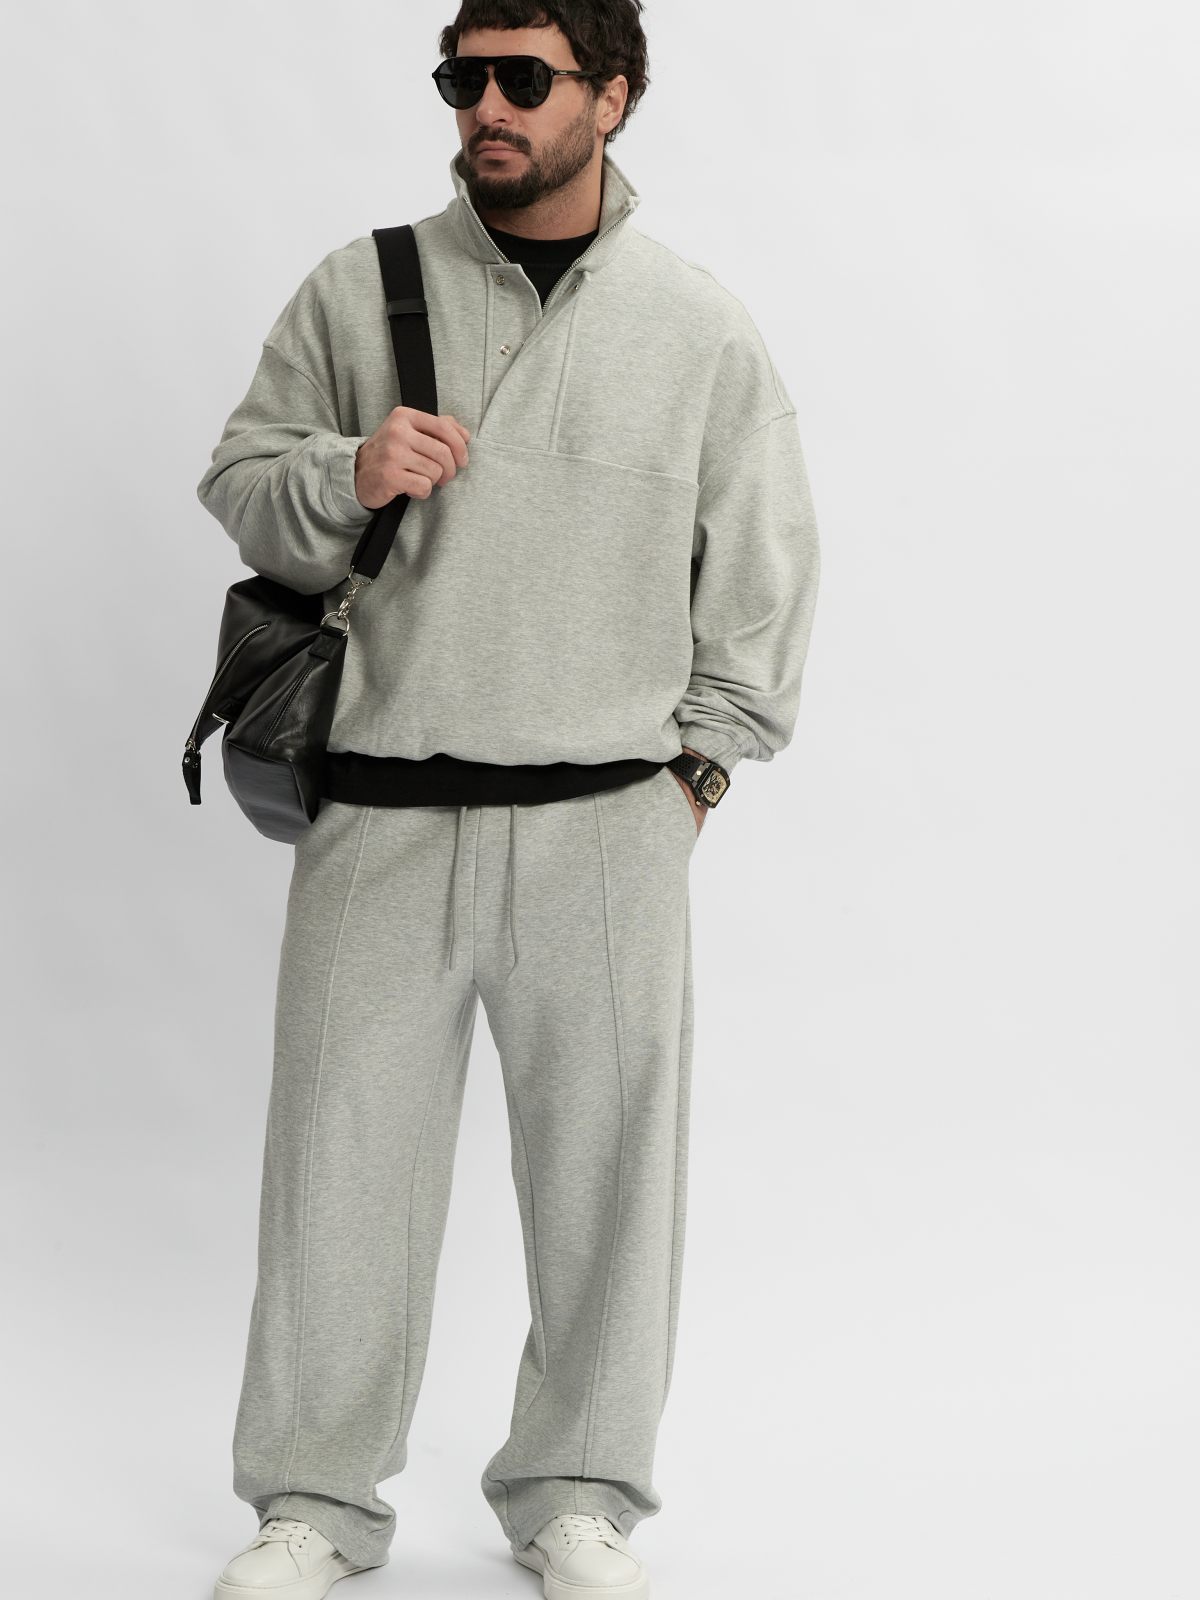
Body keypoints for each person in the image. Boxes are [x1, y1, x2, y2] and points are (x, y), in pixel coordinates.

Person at [196, 4, 820, 1596]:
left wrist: (695, 774)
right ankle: (313, 1506)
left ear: (612, 97)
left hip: (609, 824)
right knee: (336, 1172)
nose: (486, 104)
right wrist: (346, 472)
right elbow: (242, 485)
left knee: (612, 1184)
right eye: (463, 77)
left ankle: (577, 1495)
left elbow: (761, 569)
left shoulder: (696, 327)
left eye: (523, 78)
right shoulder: (359, 288)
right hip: (379, 813)